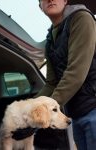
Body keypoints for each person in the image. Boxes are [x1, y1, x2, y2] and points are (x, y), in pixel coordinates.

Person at [36, 0, 96, 149]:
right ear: (40, 6)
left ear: (65, 1)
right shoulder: (50, 40)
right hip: (76, 114)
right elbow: (51, 82)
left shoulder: (81, 18)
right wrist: (29, 109)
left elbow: (75, 73)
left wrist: (45, 111)